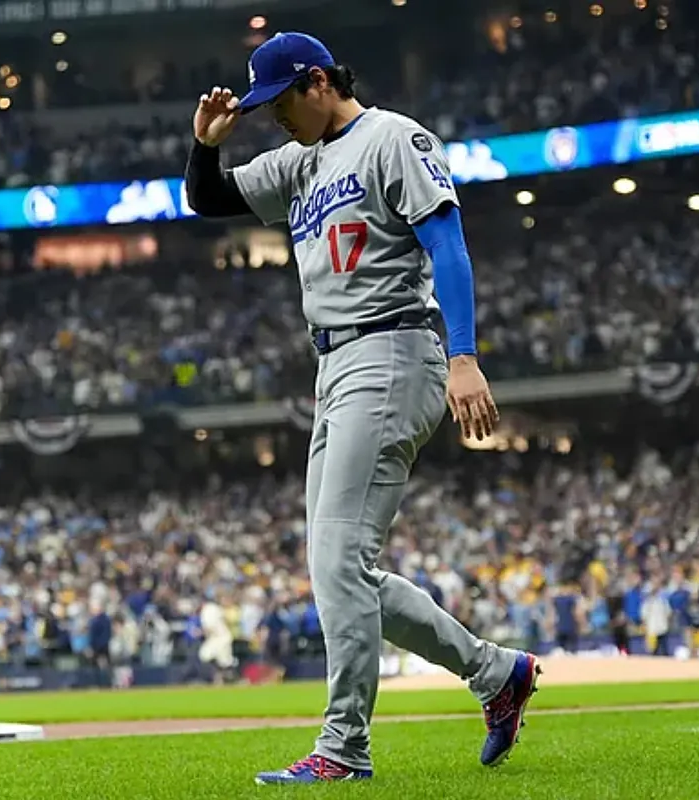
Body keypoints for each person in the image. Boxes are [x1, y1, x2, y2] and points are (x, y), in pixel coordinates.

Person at [184, 31, 539, 785]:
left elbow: (448, 246)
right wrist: (205, 147)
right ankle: (495, 672)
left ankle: (344, 747)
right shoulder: (300, 161)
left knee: (340, 560)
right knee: (341, 569)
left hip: (392, 347)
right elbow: (208, 199)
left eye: (282, 101)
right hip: (335, 364)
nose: (275, 116)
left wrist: (465, 356)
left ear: (319, 82)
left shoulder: (393, 138)